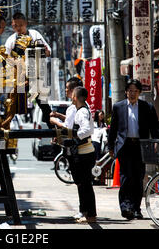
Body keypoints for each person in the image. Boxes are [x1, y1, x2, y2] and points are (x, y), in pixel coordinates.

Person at [107, 79, 159, 220]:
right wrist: (110, 146)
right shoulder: (118, 107)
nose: (132, 93)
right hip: (124, 146)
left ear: (139, 93)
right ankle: (125, 207)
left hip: (140, 146)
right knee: (125, 177)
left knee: (138, 178)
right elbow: (113, 129)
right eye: (130, 90)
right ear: (125, 92)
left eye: (135, 91)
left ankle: (136, 208)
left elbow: (155, 127)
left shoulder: (147, 107)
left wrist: (156, 142)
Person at [70, 87, 97, 223]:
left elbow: (87, 129)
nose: (71, 97)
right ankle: (87, 213)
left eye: (72, 95)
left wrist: (76, 136)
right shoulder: (82, 110)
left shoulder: (82, 112)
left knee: (86, 185)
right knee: (83, 184)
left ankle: (91, 215)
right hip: (85, 153)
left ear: (75, 97)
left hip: (85, 153)